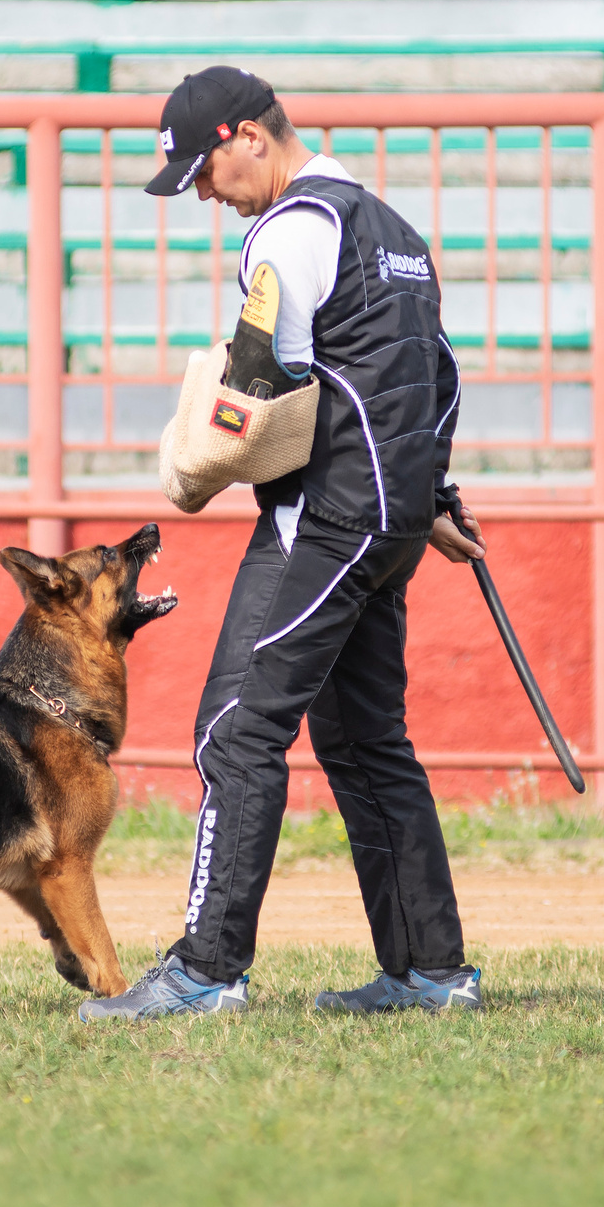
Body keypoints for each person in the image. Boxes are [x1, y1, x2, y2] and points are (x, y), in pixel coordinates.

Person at [78, 67, 485, 1022]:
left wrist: (192, 465)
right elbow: (434, 380)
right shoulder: (397, 234)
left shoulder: (288, 230)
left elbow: (264, 381)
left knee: (237, 730)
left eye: (207, 175)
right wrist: (431, 498)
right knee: (366, 741)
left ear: (249, 137)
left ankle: (207, 970)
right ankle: (432, 972)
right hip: (388, 526)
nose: (210, 199)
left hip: (325, 522)